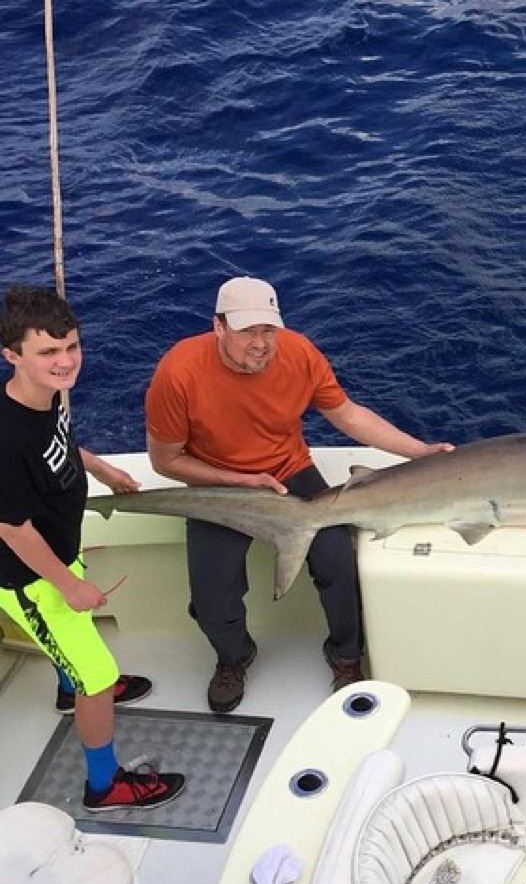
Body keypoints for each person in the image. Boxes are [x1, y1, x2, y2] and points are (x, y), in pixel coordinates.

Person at [144, 276, 453, 713]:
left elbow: (348, 415)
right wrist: (240, 481)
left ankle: (345, 655)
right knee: (212, 593)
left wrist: (421, 453)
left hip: (290, 471)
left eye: (268, 330)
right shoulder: (178, 373)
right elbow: (166, 461)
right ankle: (234, 657)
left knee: (337, 559)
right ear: (218, 327)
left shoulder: (299, 352)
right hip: (219, 485)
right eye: (247, 331)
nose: (261, 344)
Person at [0, 286, 186, 811]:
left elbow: (59, 439)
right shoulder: (5, 437)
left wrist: (100, 467)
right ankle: (104, 785)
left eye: (71, 347)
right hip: (31, 580)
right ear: (11, 355)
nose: (65, 362)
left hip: (60, 552)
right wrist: (69, 585)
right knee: (99, 679)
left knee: (79, 657)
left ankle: (68, 687)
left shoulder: (44, 394)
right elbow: (12, 529)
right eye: (48, 352)